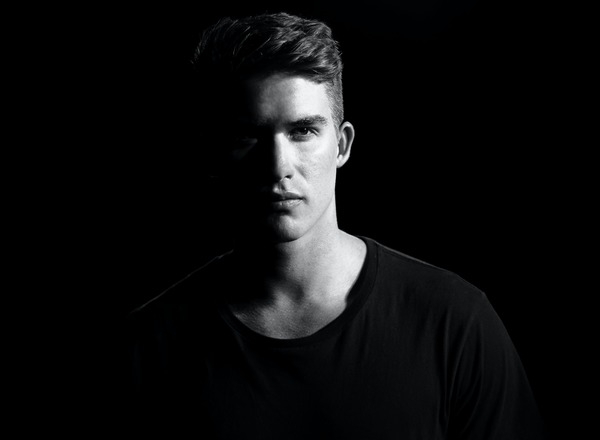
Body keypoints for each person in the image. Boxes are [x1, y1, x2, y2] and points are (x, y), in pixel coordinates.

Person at [124, 11, 547, 439]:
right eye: (246, 136)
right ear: (213, 153)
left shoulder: (454, 323)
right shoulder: (148, 349)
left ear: (342, 145)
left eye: (303, 131)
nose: (278, 165)